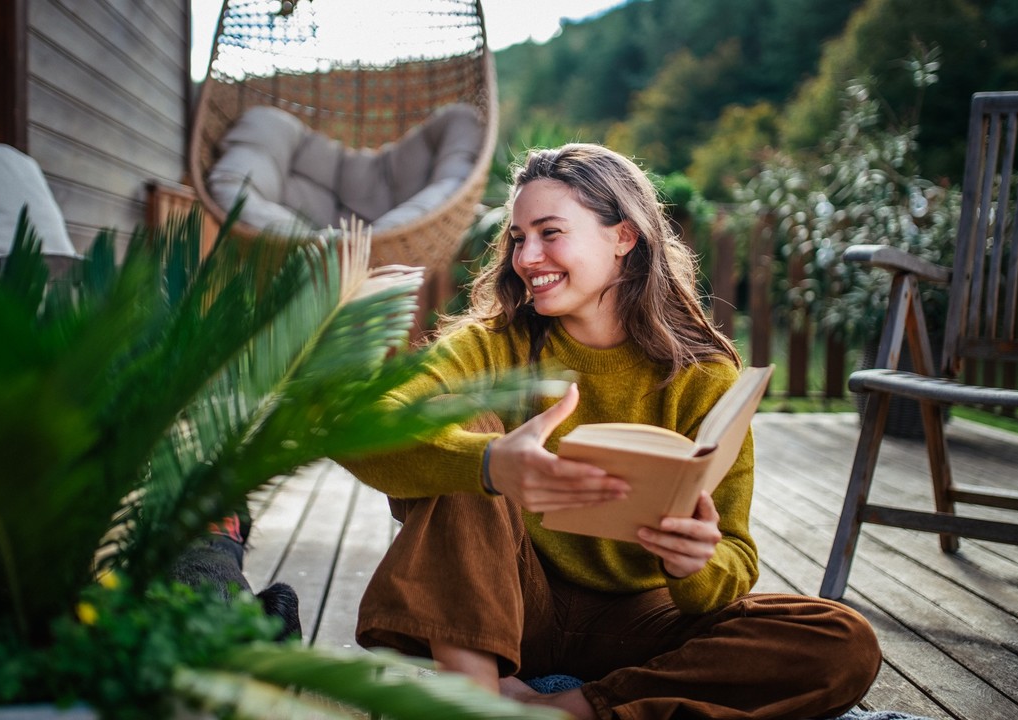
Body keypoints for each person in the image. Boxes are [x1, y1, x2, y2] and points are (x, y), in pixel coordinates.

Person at [341, 143, 881, 719]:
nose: (527, 257)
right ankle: (477, 703)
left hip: (642, 623)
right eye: (518, 238)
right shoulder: (492, 346)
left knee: (841, 641)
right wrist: (491, 462)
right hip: (507, 610)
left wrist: (695, 564)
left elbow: (736, 555)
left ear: (623, 236)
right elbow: (365, 424)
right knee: (467, 426)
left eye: (550, 232)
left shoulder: (703, 376)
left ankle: (578, 708)